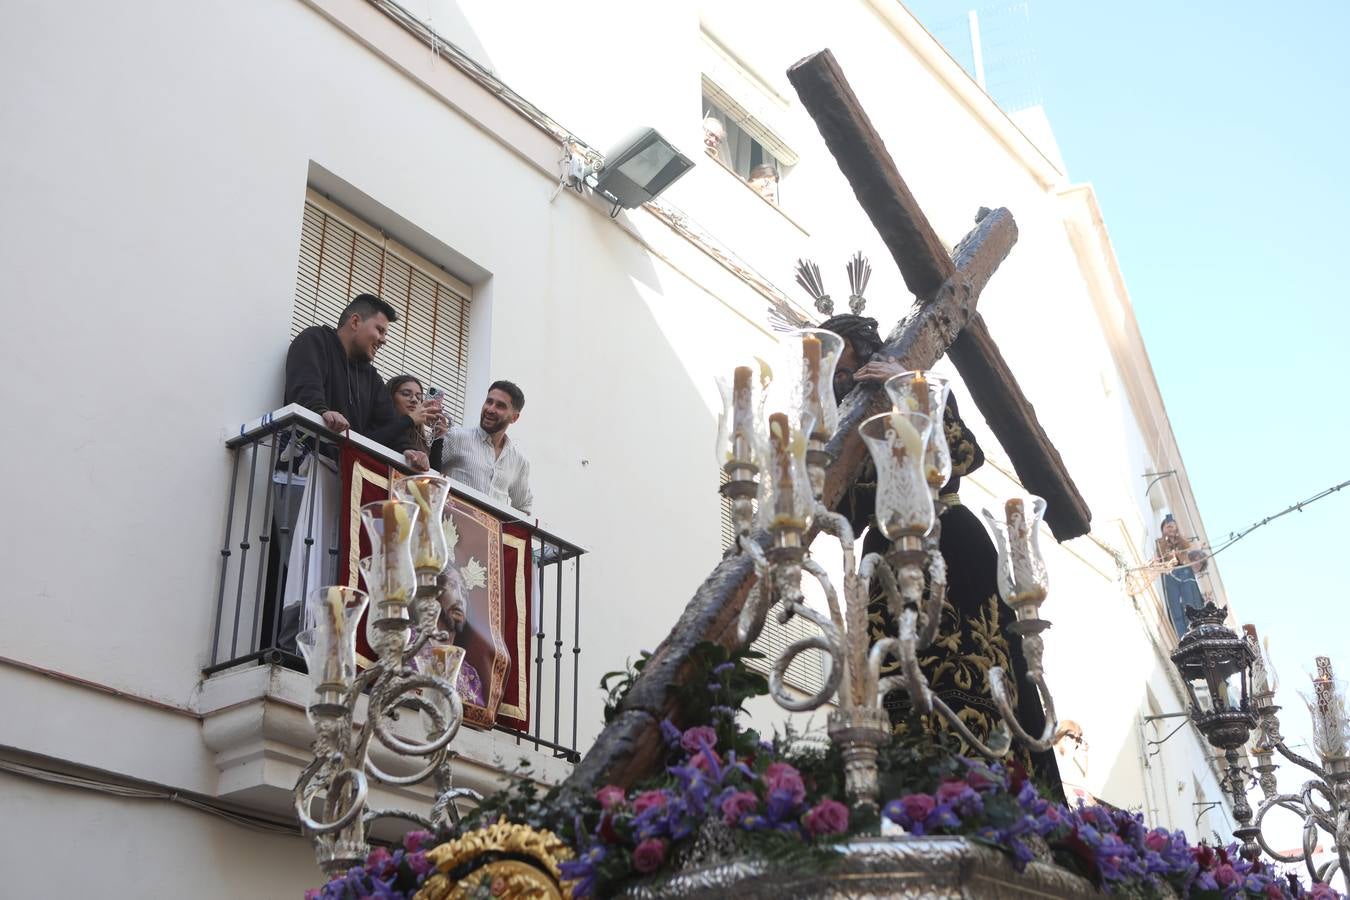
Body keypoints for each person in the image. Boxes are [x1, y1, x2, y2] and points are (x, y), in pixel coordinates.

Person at [819, 313, 1062, 797]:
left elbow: (964, 456)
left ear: (868, 356)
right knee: (888, 680)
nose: (841, 379)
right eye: (832, 374)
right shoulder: (841, 431)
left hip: (952, 542)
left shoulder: (909, 390)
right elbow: (840, 507)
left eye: (845, 366)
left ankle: (986, 784)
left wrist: (909, 392)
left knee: (980, 669)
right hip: (883, 559)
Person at [285, 292, 442, 471]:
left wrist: (410, 450)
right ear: (355, 322)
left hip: (347, 479)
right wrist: (322, 412)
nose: (384, 340)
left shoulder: (372, 378)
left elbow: (388, 424)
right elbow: (305, 391)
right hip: (301, 468)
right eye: (380, 330)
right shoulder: (315, 340)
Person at [440, 381, 533, 514]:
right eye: (489, 402)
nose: (490, 409)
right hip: (450, 528)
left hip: (490, 534)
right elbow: (427, 472)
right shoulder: (456, 436)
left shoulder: (519, 462)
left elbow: (523, 507)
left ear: (514, 417)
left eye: (500, 406)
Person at [387, 375, 450, 472]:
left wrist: (438, 439)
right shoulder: (383, 427)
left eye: (419, 397)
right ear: (390, 396)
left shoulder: (420, 441)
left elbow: (432, 476)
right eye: (406, 394)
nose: (414, 400)